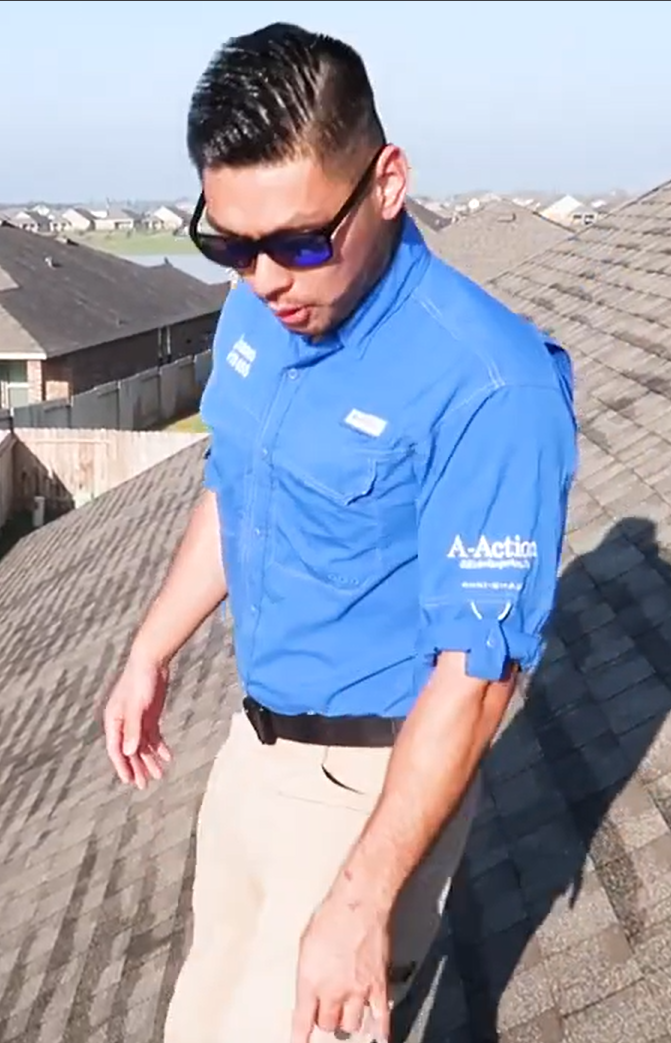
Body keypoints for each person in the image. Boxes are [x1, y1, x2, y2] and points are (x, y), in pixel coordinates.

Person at [103, 21, 578, 1043]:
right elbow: (236, 489)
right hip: (251, 754)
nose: (265, 276)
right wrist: (150, 648)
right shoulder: (258, 313)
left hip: (366, 789)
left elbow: (479, 671)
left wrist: (361, 900)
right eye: (228, 242)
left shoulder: (489, 384)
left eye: (299, 240)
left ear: (388, 180)